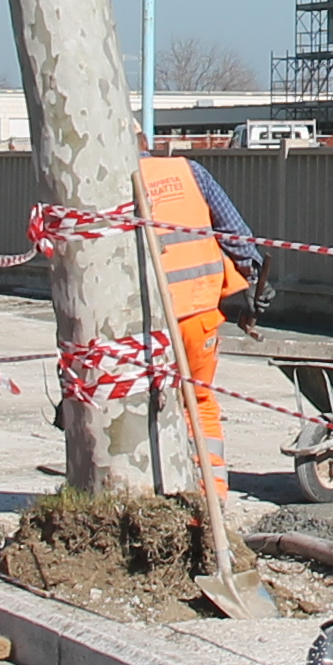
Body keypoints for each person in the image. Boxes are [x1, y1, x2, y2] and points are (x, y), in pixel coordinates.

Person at [134, 154, 266, 463]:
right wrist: (253, 274)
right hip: (198, 312)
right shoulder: (188, 170)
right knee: (199, 400)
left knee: (140, 402)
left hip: (144, 317)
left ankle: (152, 484)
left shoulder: (109, 181)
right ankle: (211, 493)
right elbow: (235, 234)